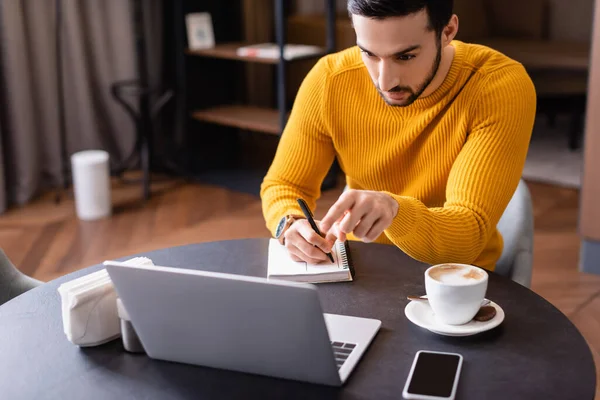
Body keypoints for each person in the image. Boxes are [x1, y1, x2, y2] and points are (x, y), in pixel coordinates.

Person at [260, 0, 536, 271]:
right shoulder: (330, 79)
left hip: (455, 280)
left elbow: (466, 238)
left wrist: (395, 211)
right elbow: (284, 184)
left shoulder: (498, 86)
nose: (385, 81)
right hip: (363, 268)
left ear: (448, 31)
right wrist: (291, 223)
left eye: (405, 56)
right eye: (368, 54)